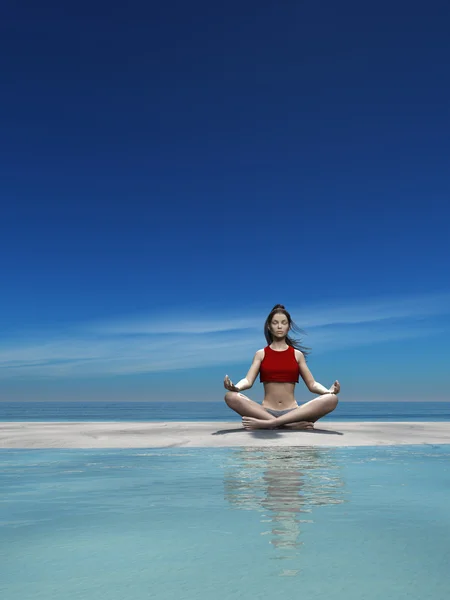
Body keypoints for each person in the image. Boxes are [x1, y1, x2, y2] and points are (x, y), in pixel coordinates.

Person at [223, 304, 340, 430]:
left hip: (294, 413)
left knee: (332, 399)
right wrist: (236, 387)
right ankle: (288, 425)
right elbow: (248, 380)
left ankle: (270, 424)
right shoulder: (261, 354)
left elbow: (312, 384)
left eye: (283, 323)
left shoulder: (297, 355)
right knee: (230, 396)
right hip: (265, 412)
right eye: (275, 323)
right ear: (269, 326)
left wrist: (329, 391)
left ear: (288, 326)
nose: (279, 326)